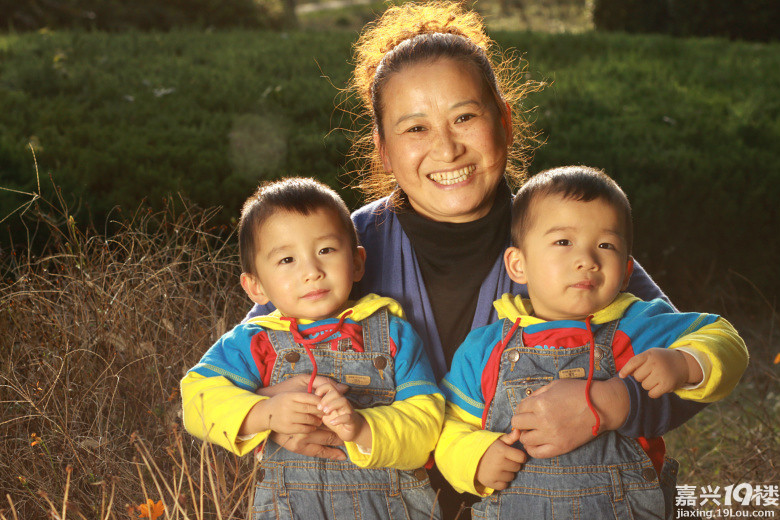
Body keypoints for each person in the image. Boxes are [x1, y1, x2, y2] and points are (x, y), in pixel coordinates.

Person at [183, 2, 747, 517]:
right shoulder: (343, 248)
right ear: (381, 145)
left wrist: (615, 403)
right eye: (415, 128)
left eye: (465, 118)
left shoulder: (565, 243)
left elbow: (684, 366)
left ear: (503, 118)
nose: (447, 148)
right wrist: (273, 411)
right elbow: (246, 363)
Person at [434, 166, 748, 519]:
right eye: (563, 242)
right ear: (518, 264)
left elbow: (726, 338)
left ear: (627, 271)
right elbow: (448, 424)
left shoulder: (635, 325)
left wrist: (685, 362)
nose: (587, 260)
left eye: (606, 245)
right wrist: (474, 458)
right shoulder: (485, 348)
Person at [182, 177, 444, 519]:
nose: (312, 271)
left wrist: (362, 428)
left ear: (357, 262)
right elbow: (196, 401)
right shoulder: (255, 341)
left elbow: (426, 422)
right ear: (256, 286)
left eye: (326, 250)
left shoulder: (394, 333)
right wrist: (266, 412)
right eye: (287, 260)